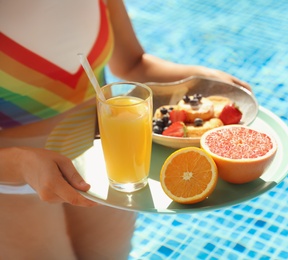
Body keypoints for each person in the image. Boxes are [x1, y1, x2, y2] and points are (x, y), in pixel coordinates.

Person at [0, 0, 251, 259]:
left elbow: (133, 64)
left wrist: (200, 77)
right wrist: (20, 163)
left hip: (103, 160)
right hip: (13, 179)